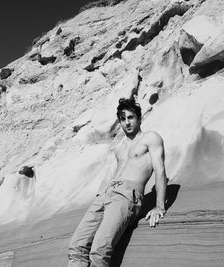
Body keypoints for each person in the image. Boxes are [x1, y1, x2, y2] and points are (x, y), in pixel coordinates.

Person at [68, 98, 168, 267]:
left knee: (99, 250)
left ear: (139, 118)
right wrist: (102, 194)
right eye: (123, 119)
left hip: (126, 195)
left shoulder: (150, 138)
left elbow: (160, 171)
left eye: (131, 117)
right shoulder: (119, 147)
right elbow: (112, 174)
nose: (127, 122)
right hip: (105, 194)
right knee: (76, 246)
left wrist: (159, 206)